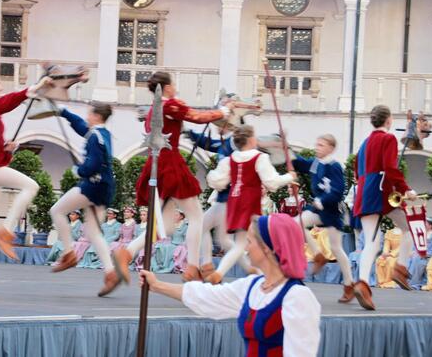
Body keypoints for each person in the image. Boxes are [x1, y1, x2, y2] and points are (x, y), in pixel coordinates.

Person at [139, 213, 321, 357]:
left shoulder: (297, 297)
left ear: (267, 247)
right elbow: (206, 296)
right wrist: (157, 285)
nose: (246, 248)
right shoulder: (253, 286)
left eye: (249, 242)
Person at [114, 71, 231, 283]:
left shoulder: (154, 108)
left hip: (157, 165)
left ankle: (127, 253)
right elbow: (197, 117)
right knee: (197, 217)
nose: (175, 87)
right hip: (170, 164)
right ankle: (192, 266)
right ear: (166, 87)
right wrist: (222, 111)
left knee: (164, 227)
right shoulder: (168, 105)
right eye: (173, 84)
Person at [0, 70, 50, 259]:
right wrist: (29, 90)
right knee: (31, 186)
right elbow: (2, 104)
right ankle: (5, 230)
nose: (0, 88)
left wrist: (6, 148)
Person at [47, 103, 123, 296]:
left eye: (89, 114)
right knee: (93, 232)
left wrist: (79, 171)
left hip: (93, 185)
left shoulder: (95, 136)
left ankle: (68, 253)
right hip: (104, 188)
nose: (87, 117)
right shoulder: (102, 134)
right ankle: (111, 273)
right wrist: (64, 113)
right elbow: (81, 126)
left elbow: (93, 164)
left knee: (57, 211)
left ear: (97, 116)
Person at [205, 125, 296, 284]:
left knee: (248, 242)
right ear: (250, 139)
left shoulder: (231, 159)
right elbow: (271, 182)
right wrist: (290, 177)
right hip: (249, 202)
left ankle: (258, 274)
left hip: (234, 201)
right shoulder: (259, 157)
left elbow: (218, 181)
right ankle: (263, 275)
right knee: (250, 242)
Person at [352, 105, 418, 310]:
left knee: (371, 242)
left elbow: (356, 171)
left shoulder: (364, 143)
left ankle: (362, 283)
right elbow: (390, 168)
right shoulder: (388, 139)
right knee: (409, 227)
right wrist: (406, 189)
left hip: (365, 193)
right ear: (388, 120)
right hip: (381, 192)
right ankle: (401, 268)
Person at [292, 134, 354, 303]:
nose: (317, 147)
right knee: (297, 223)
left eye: (321, 145)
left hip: (331, 212)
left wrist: (323, 200)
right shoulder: (316, 163)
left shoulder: (334, 166)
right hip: (317, 210)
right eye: (317, 144)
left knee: (336, 248)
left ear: (331, 148)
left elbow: (338, 191)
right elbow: (300, 163)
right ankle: (318, 255)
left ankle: (349, 284)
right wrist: (286, 151)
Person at [185, 127, 241, 281]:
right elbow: (209, 143)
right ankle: (209, 266)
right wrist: (191, 134)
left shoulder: (236, 146)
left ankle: (208, 266)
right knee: (222, 239)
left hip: (230, 198)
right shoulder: (226, 144)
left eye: (220, 124)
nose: (218, 127)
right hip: (223, 199)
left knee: (205, 229)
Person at [408, 218, 432, 289]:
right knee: (410, 258)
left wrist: (424, 254)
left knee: (418, 261)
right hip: (419, 255)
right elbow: (416, 245)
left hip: (428, 256)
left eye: (425, 223)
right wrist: (413, 252)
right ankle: (407, 279)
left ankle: (414, 283)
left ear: (430, 226)